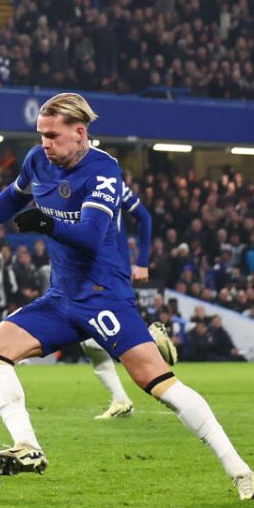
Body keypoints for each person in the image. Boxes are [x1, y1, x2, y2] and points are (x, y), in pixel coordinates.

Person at [0, 93, 254, 500]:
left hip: (104, 296)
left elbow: (92, 236)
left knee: (157, 383)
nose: (45, 142)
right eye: (41, 134)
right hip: (61, 296)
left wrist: (47, 223)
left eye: (53, 135)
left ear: (79, 133)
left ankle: (241, 472)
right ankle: (28, 447)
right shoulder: (37, 161)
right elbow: (12, 197)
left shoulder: (103, 172)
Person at [80, 177, 156, 420]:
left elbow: (144, 217)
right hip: (85, 271)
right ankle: (120, 400)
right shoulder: (67, 182)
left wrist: (142, 262)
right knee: (88, 340)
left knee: (94, 337)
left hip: (111, 269)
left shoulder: (110, 183)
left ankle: (154, 340)